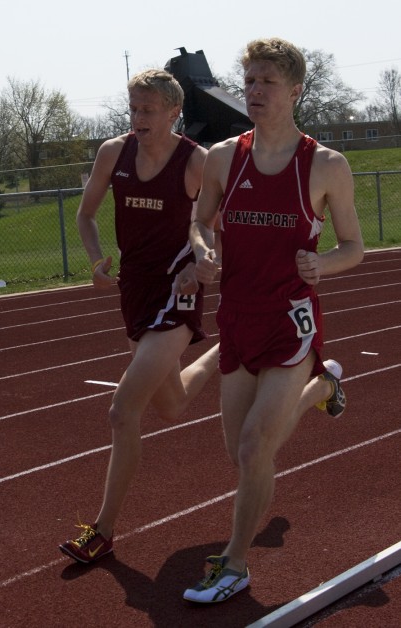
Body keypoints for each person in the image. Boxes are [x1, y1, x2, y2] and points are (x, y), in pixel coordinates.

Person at [182, 37, 364, 603]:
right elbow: (200, 222)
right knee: (241, 451)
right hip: (236, 315)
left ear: (295, 90)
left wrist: (324, 262)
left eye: (267, 82)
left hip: (291, 319)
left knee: (258, 443)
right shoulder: (222, 157)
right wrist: (202, 249)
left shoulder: (326, 165)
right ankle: (323, 386)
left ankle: (234, 565)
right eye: (250, 81)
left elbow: (355, 246)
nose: (254, 91)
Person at [59, 69, 219, 564]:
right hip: (135, 288)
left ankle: (103, 531)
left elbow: (215, 224)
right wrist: (94, 259)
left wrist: (202, 259)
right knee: (169, 406)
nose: (139, 118)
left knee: (122, 409)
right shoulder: (114, 152)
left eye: (148, 110)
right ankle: (227, 347)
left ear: (175, 113)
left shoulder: (197, 162)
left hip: (178, 289)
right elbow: (86, 215)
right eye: (133, 108)